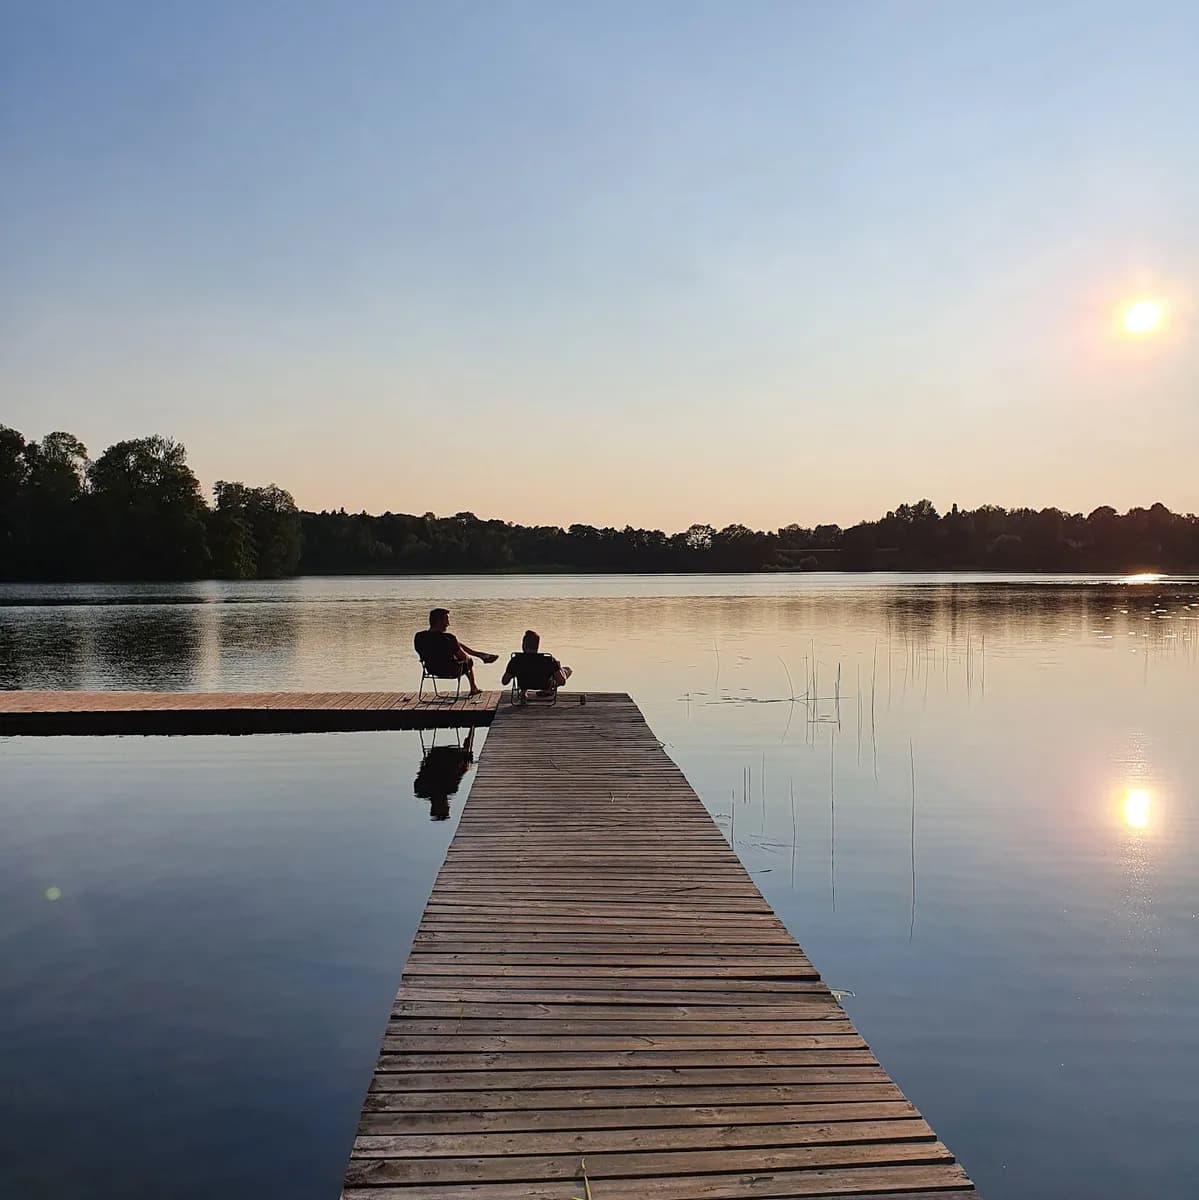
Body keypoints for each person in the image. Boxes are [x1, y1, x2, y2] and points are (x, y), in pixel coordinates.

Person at [413, 608, 497, 697]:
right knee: (469, 661)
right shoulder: (448, 638)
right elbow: (464, 658)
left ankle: (481, 656)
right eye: (446, 620)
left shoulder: (419, 637)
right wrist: (469, 657)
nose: (448, 624)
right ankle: (474, 687)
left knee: (455, 645)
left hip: (430, 669)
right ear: (439, 621)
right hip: (450, 670)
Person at [413, 729, 475, 821]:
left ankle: (472, 729)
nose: (447, 804)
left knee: (465, 761)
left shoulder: (423, 791)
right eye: (447, 806)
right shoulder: (451, 788)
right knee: (466, 760)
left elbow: (420, 777)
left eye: (445, 806)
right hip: (444, 757)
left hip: (436, 757)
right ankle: (471, 729)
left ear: (434, 807)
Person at [502, 629, 573, 699]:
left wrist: (513, 672)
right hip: (543, 684)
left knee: (526, 671)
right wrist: (559, 667)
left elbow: (504, 682)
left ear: (523, 645)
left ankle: (523, 692)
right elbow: (562, 682)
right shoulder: (549, 660)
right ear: (537, 646)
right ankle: (547, 690)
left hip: (524, 683)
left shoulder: (516, 660)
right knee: (568, 670)